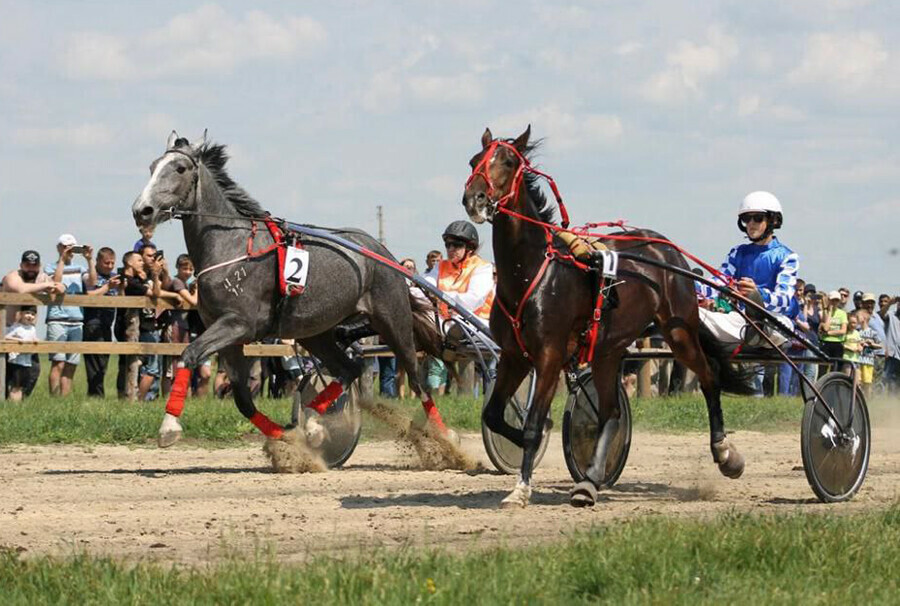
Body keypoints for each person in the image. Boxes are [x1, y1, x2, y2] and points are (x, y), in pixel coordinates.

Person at [695, 192, 799, 394]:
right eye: (746, 218)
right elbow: (718, 284)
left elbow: (786, 300)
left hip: (776, 321)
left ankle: (758, 329)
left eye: (757, 218)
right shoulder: (738, 252)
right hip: (741, 323)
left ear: (773, 220)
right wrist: (685, 285)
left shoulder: (787, 256)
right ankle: (754, 331)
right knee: (695, 315)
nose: (751, 223)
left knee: (773, 321)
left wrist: (758, 295)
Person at [425, 220, 494, 397]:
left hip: (478, 323)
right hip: (444, 321)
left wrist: (442, 295)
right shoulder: (440, 266)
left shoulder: (483, 268)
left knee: (457, 323)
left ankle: (449, 343)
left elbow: (473, 300)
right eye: (448, 244)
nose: (451, 249)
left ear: (469, 247)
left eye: (456, 245)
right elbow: (425, 287)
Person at [2, 250, 64, 396]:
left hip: (29, 334)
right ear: (21, 265)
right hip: (8, 332)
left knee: (32, 373)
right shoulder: (12, 276)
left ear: (39, 266)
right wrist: (45, 286)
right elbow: (21, 289)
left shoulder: (41, 278)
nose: (31, 269)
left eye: (34, 266)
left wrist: (60, 287)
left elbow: (58, 286)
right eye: (27, 265)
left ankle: (19, 405)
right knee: (10, 376)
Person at [46, 234, 91, 397]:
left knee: (72, 363)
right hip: (57, 318)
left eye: (72, 247)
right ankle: (54, 398)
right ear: (59, 248)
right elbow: (55, 284)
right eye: (66, 247)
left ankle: (64, 398)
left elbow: (92, 281)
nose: (70, 251)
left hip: (77, 319)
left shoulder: (80, 268)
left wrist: (89, 260)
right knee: (58, 362)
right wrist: (62, 261)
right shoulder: (50, 267)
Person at [83, 247, 121, 396]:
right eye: (106, 263)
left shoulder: (114, 276)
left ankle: (97, 394)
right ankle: (96, 396)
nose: (110, 266)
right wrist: (107, 287)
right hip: (93, 322)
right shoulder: (91, 275)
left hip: (107, 323)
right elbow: (89, 295)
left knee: (103, 363)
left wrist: (121, 287)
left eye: (112, 263)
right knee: (94, 363)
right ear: (98, 261)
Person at [3, 306, 39, 401]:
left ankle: (17, 404)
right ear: (21, 314)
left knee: (23, 384)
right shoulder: (16, 327)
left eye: (32, 314)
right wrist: (19, 340)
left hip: (27, 361)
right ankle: (13, 404)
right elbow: (6, 337)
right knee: (15, 384)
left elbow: (34, 339)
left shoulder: (32, 328)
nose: (30, 316)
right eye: (27, 313)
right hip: (16, 361)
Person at [820, 290, 848, 371]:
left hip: (838, 343)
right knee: (823, 368)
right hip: (826, 343)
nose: (834, 302)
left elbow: (843, 331)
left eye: (836, 300)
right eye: (832, 300)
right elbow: (825, 327)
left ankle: (835, 383)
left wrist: (828, 333)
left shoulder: (842, 313)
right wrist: (829, 312)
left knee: (836, 368)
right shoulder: (824, 313)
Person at [857, 309, 882, 397]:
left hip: (868, 361)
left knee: (867, 383)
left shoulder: (872, 333)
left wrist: (872, 344)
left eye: (858, 317)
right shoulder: (857, 331)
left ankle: (867, 400)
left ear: (864, 318)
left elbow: (880, 345)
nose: (857, 319)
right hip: (858, 360)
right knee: (858, 382)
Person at [884, 300, 900, 393]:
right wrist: (890, 302)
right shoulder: (891, 315)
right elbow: (881, 314)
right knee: (887, 379)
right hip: (891, 354)